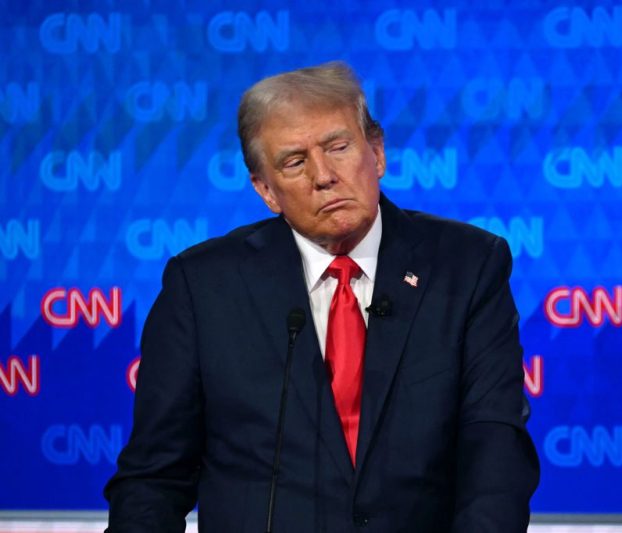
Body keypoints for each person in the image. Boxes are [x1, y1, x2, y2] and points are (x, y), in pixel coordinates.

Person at [105, 61, 539, 532]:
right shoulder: (203, 286)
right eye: (295, 162)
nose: (323, 175)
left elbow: (494, 451)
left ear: (377, 152)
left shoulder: (466, 266)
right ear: (266, 190)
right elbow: (154, 478)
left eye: (338, 147)